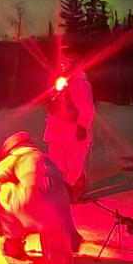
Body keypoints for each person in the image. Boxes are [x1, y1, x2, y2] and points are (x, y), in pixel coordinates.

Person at [0, 131, 81, 264]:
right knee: (53, 200)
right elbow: (64, 194)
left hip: (29, 206)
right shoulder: (48, 161)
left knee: (4, 188)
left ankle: (13, 246)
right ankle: (60, 259)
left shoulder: (15, 157)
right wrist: (72, 234)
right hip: (58, 216)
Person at [43, 53, 95, 202]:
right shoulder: (60, 80)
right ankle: (61, 191)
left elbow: (87, 107)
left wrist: (82, 126)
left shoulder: (78, 80)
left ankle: (75, 190)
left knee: (73, 162)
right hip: (57, 129)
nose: (62, 65)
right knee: (56, 162)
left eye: (66, 62)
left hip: (72, 131)